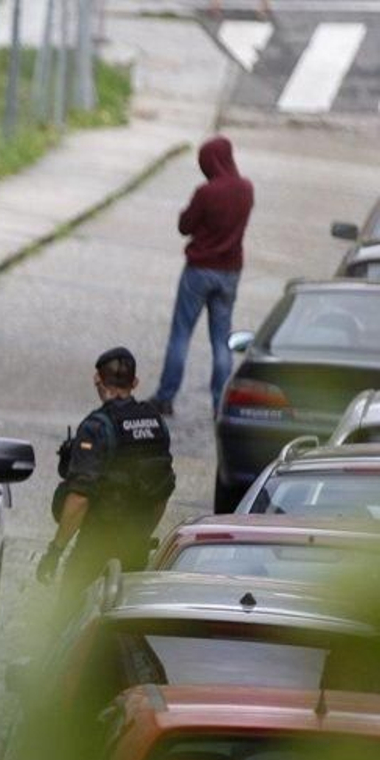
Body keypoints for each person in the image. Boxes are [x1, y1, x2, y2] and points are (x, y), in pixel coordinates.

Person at [37, 348, 176, 613]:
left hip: (96, 546)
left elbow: (79, 498)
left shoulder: (97, 427)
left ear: (97, 381)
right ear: (134, 383)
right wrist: (142, 533)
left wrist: (55, 551)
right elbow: (163, 490)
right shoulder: (156, 422)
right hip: (136, 548)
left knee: (69, 617)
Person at [151, 136, 254, 417]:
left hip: (199, 270)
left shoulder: (206, 193)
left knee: (181, 334)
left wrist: (187, 214)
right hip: (230, 271)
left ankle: (165, 397)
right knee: (222, 340)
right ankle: (220, 403)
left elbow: (186, 226)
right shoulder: (246, 189)